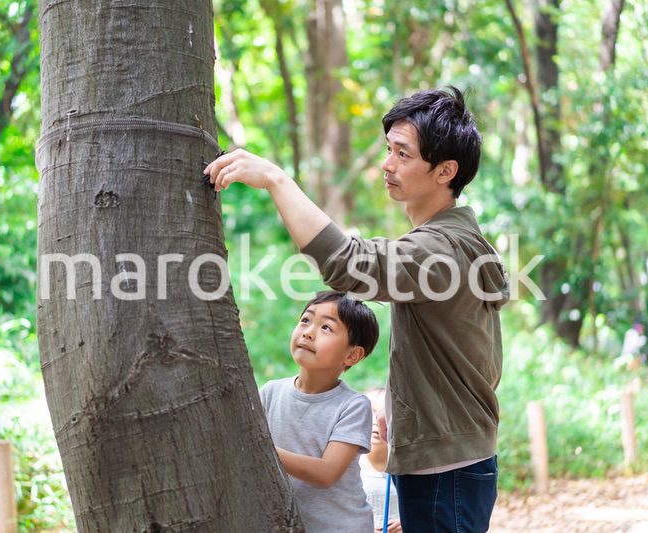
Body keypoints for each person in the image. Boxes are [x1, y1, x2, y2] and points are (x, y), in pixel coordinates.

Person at [205, 86, 510, 532]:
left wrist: (276, 179)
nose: (387, 164)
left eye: (403, 155)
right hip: (449, 460)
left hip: (447, 469)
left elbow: (347, 264)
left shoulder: (440, 250)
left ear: (446, 170)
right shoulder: (456, 243)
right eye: (389, 150)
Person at [259, 291, 380, 532]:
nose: (308, 332)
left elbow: (326, 472)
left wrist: (261, 449)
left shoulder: (353, 405)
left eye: (326, 327)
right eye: (306, 320)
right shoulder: (270, 392)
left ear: (352, 355)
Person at [361, 388, 402, 533]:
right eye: (370, 411)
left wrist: (408, 523)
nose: (376, 420)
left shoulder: (409, 466)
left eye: (384, 413)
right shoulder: (347, 465)